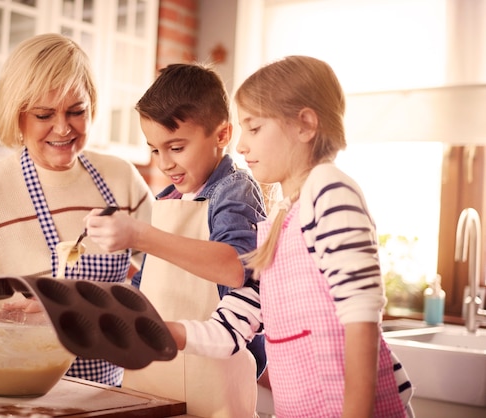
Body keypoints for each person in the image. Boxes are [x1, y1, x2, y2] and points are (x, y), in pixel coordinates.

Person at [165, 56, 415, 417]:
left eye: (254, 128)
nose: (241, 147)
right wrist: (164, 332)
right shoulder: (284, 215)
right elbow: (233, 327)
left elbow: (362, 319)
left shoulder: (329, 191)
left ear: (305, 125)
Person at [0, 33, 154, 387]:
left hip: (108, 394)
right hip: (18, 393)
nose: (63, 128)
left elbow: (162, 278)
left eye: (77, 111)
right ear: (17, 115)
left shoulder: (121, 179)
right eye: (44, 114)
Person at [84, 63, 266, 417]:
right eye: (154, 150)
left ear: (222, 135)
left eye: (176, 147)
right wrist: (72, 305)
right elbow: (143, 295)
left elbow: (234, 268)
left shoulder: (235, 191)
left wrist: (139, 234)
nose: (164, 162)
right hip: (154, 381)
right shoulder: (167, 199)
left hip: (213, 387)